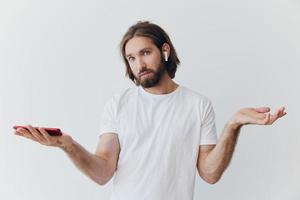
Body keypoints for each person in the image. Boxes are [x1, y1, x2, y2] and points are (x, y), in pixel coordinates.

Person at [14, 21, 287, 200]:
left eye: (145, 53)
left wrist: (233, 125)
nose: (138, 64)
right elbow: (103, 172)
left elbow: (210, 173)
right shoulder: (118, 104)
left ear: (164, 50)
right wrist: (67, 144)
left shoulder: (198, 104)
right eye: (131, 58)